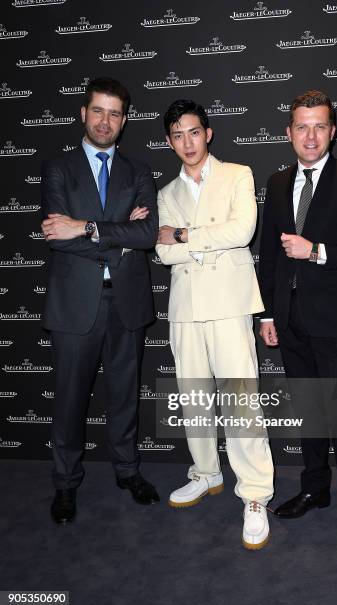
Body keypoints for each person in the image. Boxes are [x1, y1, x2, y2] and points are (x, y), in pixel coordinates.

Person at [258, 90, 337, 570]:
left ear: (332, 131)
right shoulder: (277, 181)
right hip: (290, 324)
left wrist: (317, 251)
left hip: (333, 327)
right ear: (288, 133)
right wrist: (268, 315)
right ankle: (315, 489)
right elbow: (269, 256)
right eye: (301, 127)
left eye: (319, 126)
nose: (310, 136)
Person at [155, 99, 274, 550]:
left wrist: (186, 236)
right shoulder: (166, 194)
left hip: (229, 304)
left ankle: (257, 494)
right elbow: (162, 253)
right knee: (194, 400)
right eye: (177, 135)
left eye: (193, 132)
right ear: (170, 141)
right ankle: (205, 474)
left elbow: (241, 231)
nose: (187, 142)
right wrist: (205, 242)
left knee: (242, 402)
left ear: (209, 133)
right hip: (185, 308)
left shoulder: (238, 174)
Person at [41, 77, 159, 524]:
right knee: (70, 400)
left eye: (114, 113)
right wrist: (119, 234)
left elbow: (147, 234)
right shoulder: (58, 169)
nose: (105, 120)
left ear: (124, 120)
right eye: (98, 111)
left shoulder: (138, 171)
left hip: (126, 302)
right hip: (76, 305)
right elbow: (58, 237)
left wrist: (87, 227)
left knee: (125, 395)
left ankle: (128, 472)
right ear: (83, 114)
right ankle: (66, 483)